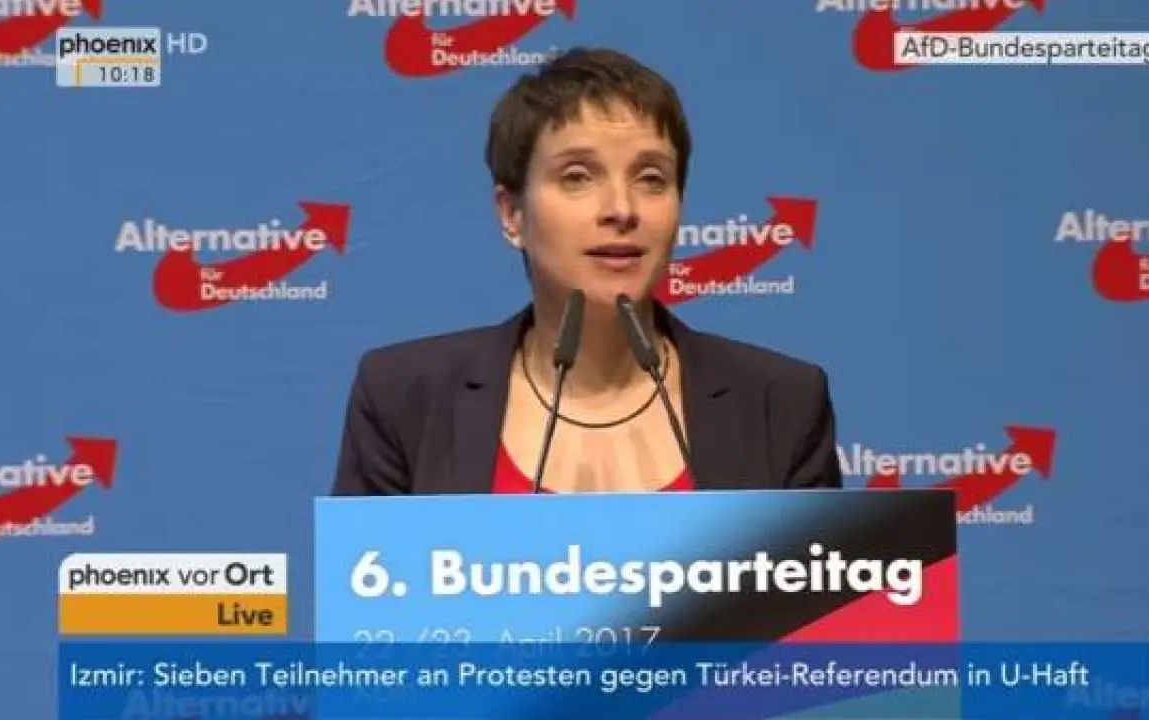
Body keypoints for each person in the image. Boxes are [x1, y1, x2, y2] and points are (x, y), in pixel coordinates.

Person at [331, 47, 842, 496]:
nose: (621, 209)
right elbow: (370, 578)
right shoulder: (405, 399)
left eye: (651, 178)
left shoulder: (781, 403)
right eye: (577, 176)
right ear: (512, 214)